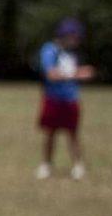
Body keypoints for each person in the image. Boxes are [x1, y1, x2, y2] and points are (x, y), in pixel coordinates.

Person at [36, 17, 94, 179]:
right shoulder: (50, 50)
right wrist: (78, 73)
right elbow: (51, 74)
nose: (77, 41)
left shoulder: (72, 54)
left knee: (73, 134)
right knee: (50, 133)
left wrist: (82, 72)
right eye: (74, 37)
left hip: (71, 99)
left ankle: (78, 165)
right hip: (53, 98)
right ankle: (46, 165)